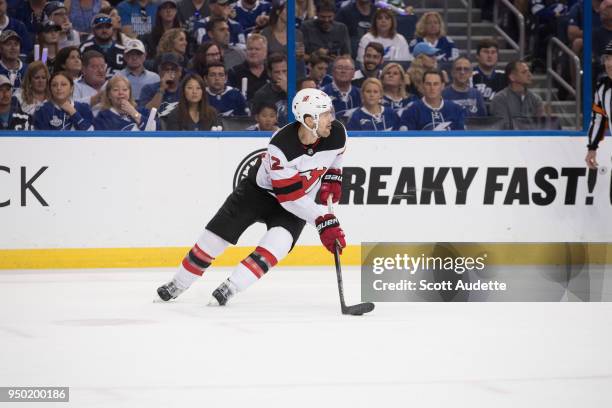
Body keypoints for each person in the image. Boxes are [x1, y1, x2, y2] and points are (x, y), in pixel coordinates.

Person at [156, 87, 347, 307]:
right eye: (324, 114)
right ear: (308, 120)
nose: (330, 119)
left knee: (279, 243)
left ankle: (231, 287)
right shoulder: (281, 145)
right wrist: (322, 220)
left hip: (297, 201)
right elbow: (289, 198)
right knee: (214, 238)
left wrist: (333, 176)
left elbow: (337, 156)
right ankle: (178, 283)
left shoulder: (337, 133)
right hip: (258, 194)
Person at [399, 69, 465, 131]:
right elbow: (406, 139)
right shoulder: (411, 110)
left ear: (442, 86)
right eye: (428, 84)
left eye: (436, 84)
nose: (432, 88)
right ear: (422, 85)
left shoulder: (456, 109)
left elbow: (462, 138)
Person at [490, 60, 544, 129]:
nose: (529, 75)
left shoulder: (536, 99)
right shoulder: (500, 99)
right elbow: (504, 128)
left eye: (529, 71)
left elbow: (541, 126)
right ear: (512, 77)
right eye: (524, 72)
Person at [586, 41, 612, 170]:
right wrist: (592, 147)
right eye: (607, 58)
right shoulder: (602, 87)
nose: (609, 64)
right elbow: (598, 118)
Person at [227, 33, 268, 101]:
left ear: (265, 52)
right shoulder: (234, 72)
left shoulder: (271, 71)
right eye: (250, 49)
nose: (253, 52)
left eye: (257, 49)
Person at [251, 53, 287, 125]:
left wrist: (288, 90)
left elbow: (304, 112)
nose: (281, 75)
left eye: (284, 71)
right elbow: (256, 122)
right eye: (277, 72)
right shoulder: (261, 95)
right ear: (269, 73)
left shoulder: (297, 89)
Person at [321, 54, 361, 119]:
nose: (343, 71)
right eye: (340, 68)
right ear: (333, 72)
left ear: (353, 73)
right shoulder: (321, 94)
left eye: (347, 68)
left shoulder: (361, 94)